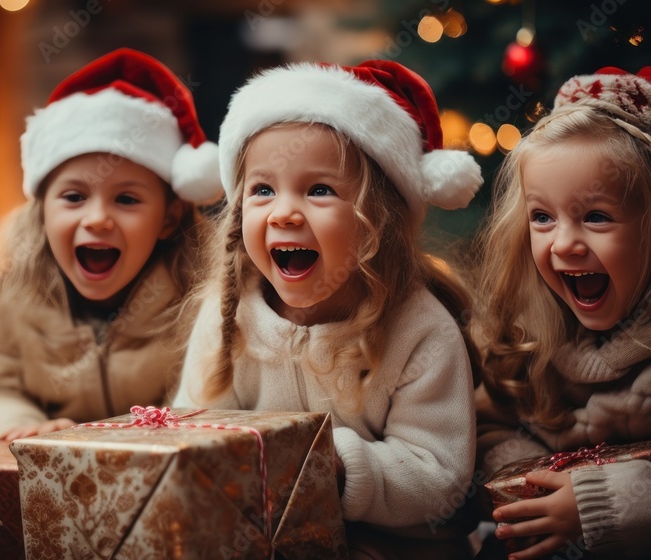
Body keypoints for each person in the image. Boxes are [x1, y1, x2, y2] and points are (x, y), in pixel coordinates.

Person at [0, 48, 221, 560]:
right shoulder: (12, 291)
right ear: (42, 210)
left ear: (167, 219)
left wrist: (135, 446)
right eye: (73, 198)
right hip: (50, 475)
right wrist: (15, 428)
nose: (96, 219)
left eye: (127, 199)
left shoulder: (199, 294)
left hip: (159, 479)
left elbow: (210, 399)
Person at [172, 59, 484, 559]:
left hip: (398, 547)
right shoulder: (227, 319)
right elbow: (190, 426)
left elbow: (439, 477)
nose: (285, 211)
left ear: (377, 220)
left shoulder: (419, 330)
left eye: (319, 190)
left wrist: (335, 467)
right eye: (263, 189)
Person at [474, 67, 651, 559]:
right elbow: (487, 425)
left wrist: (596, 502)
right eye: (542, 217)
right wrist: (533, 483)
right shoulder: (531, 322)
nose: (564, 244)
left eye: (596, 216)